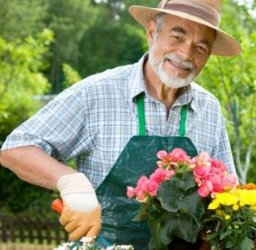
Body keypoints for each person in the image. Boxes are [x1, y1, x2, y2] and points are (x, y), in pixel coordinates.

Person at [0, 0, 240, 249]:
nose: (186, 54)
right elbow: (16, 149)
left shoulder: (209, 109)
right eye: (177, 37)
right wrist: (71, 182)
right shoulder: (97, 93)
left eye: (201, 47)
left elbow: (229, 193)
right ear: (151, 33)